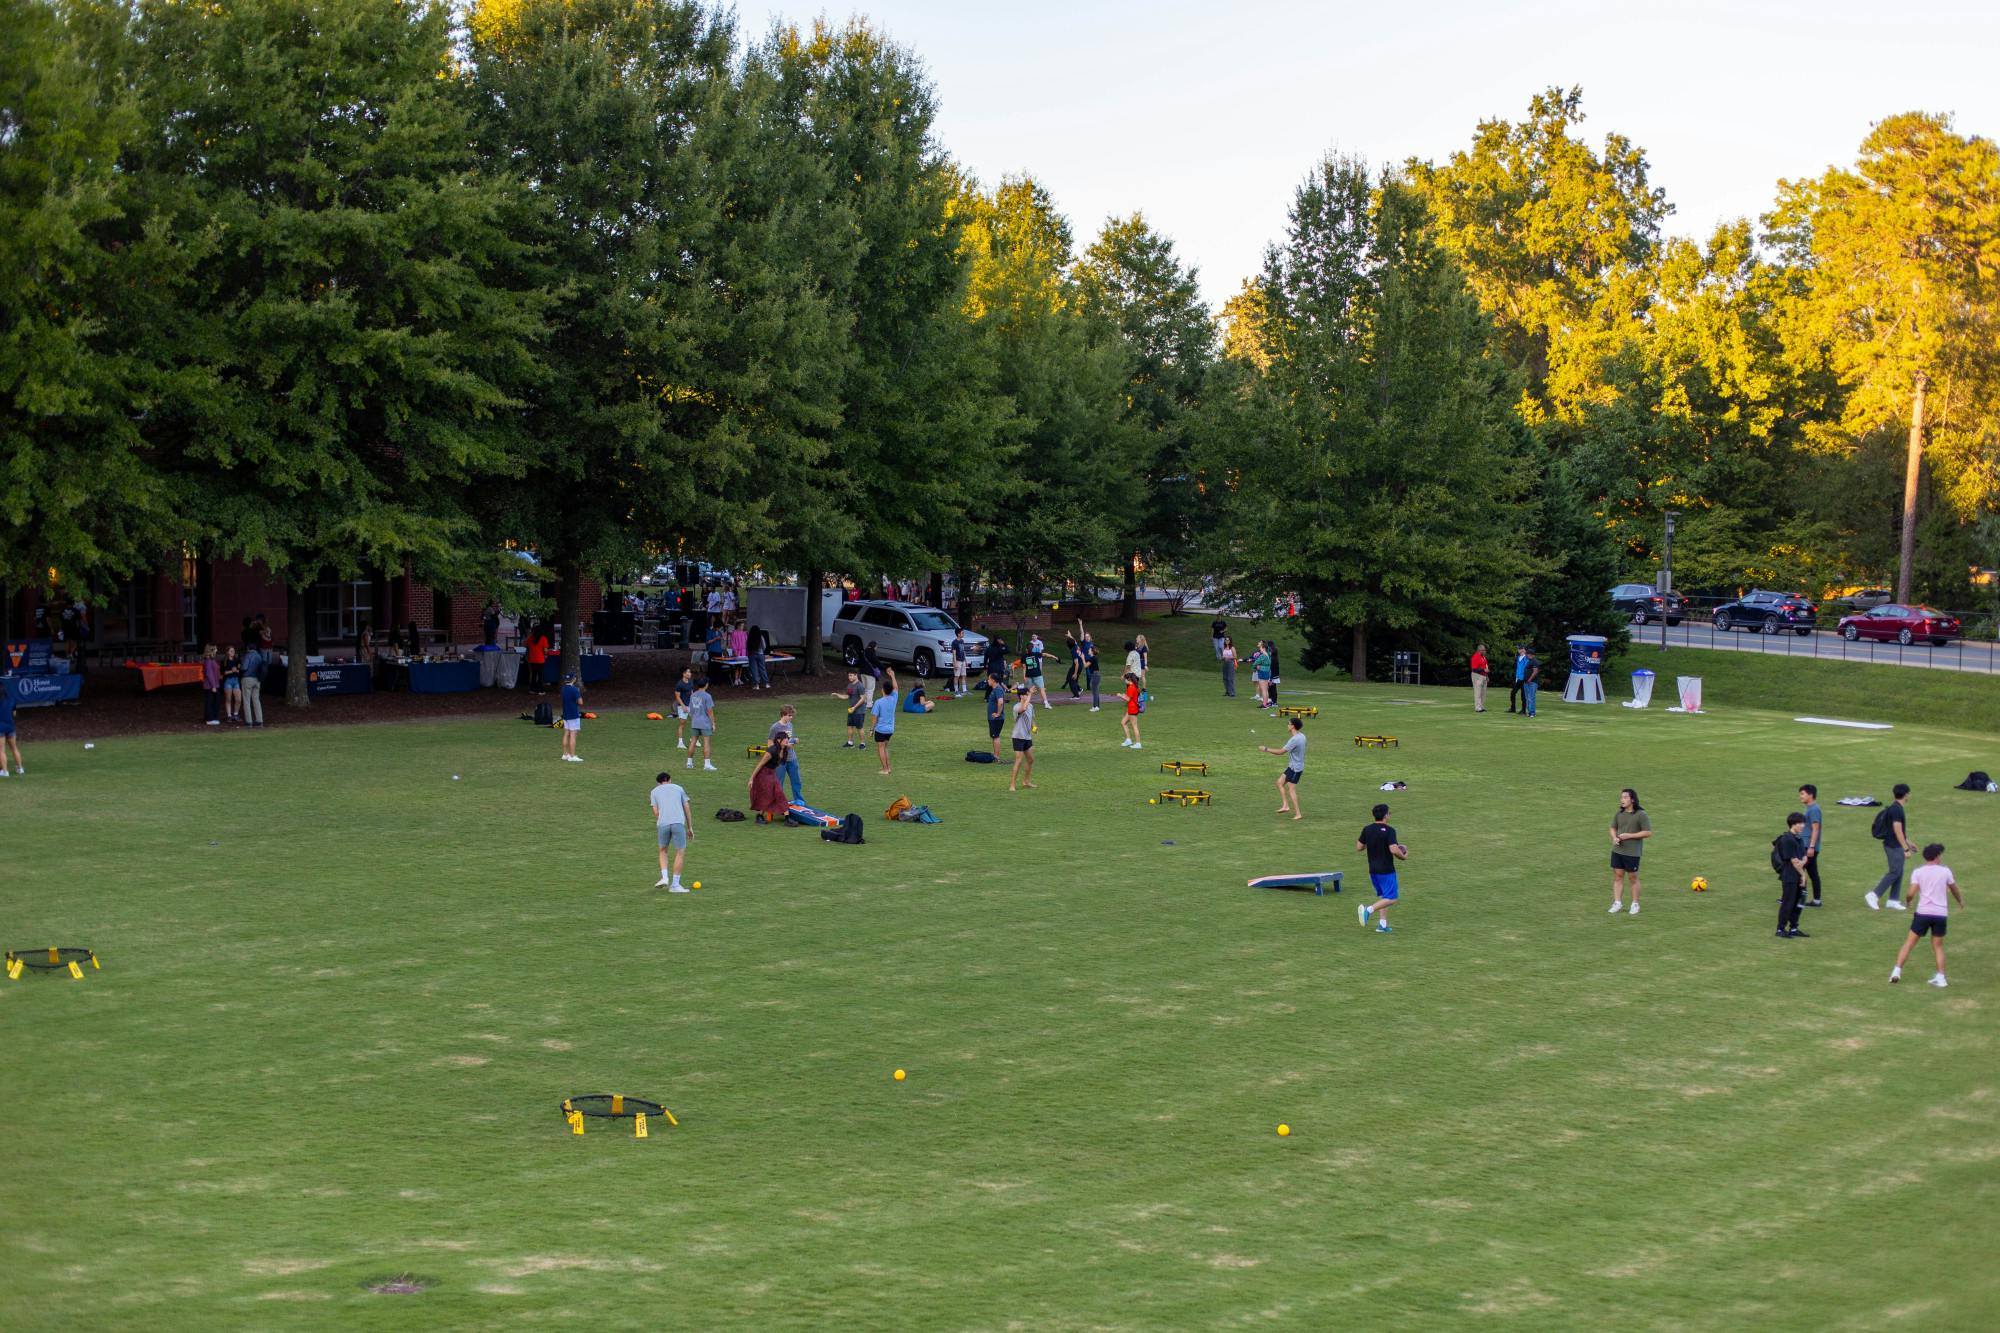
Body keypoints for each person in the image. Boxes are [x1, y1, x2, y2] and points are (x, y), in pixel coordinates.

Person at [1891, 843, 1963, 986]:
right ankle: (1941, 978)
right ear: (1936, 856)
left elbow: (1911, 893)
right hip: (1940, 914)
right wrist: (1960, 901)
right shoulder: (1945, 871)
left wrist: (1908, 901)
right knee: (1938, 946)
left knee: (1909, 943)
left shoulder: (1919, 872)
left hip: (1923, 913)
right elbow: (1954, 889)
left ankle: (1896, 971)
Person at [1356, 804, 1409, 932]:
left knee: (1385, 896)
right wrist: (1404, 856)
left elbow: (1359, 847)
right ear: (1385, 815)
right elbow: (1394, 849)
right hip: (1386, 870)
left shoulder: (1367, 829)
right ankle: (1368, 910)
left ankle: (1382, 925)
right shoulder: (1390, 830)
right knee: (1391, 898)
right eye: (1389, 813)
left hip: (1373, 870)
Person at [1866, 783, 1914, 911]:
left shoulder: (1895, 808)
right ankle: (1874, 895)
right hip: (1893, 845)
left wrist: (1908, 842)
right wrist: (1906, 849)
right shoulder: (1897, 809)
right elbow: (1897, 830)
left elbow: (1897, 830)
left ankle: (1893, 900)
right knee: (1894, 872)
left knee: (1899, 871)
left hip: (1894, 843)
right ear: (1906, 795)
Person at [1608, 787, 1651, 914]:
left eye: (1625, 797)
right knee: (1618, 877)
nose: (1622, 799)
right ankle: (1617, 903)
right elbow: (1612, 827)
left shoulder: (1641, 814)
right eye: (1621, 797)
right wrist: (1614, 837)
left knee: (1633, 878)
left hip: (1632, 853)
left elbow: (1648, 832)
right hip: (1617, 851)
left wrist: (1629, 836)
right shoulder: (1619, 814)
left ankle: (1635, 904)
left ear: (1632, 800)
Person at [650, 771, 693, 891]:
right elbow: (687, 808)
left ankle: (664, 877)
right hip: (677, 823)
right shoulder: (678, 788)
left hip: (663, 824)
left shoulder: (654, 791)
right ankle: (675, 885)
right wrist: (690, 827)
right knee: (680, 852)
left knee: (663, 851)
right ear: (670, 779)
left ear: (658, 783)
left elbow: (656, 813)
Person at [1259, 714, 1306, 820]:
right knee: (1279, 782)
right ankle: (1285, 805)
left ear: (1293, 726)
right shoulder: (1302, 736)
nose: (1287, 725)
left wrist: (1266, 749)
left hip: (1296, 768)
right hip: (1293, 766)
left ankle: (1298, 814)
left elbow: (1280, 752)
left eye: (1288, 724)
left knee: (1291, 790)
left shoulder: (1294, 740)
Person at [1774, 812, 1811, 938]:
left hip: (1799, 875)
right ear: (1793, 824)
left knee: (1799, 903)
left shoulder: (1799, 838)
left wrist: (1802, 866)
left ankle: (1794, 928)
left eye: (1803, 823)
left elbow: (1804, 857)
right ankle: (1780, 929)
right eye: (1800, 823)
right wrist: (1803, 875)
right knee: (1788, 903)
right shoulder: (1787, 839)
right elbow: (1794, 861)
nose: (1802, 825)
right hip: (1790, 876)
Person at [768, 704, 803, 801]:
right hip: (780, 760)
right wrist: (776, 753)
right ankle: (778, 802)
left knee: (797, 781)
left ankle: (799, 800)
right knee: (779, 782)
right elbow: (770, 743)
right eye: (789, 715)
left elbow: (788, 739)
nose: (791, 717)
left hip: (792, 758)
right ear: (783, 714)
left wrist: (794, 740)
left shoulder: (790, 725)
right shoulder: (775, 727)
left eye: (792, 715)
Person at [1798, 783, 1825, 907]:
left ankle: (1799, 899)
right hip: (1807, 846)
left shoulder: (1814, 809)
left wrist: (1811, 847)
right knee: (1812, 873)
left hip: (1808, 847)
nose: (1800, 796)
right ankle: (1816, 900)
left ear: (1811, 795)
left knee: (1800, 871)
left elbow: (1816, 829)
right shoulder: (1810, 808)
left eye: (1802, 794)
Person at [749, 743, 789, 823]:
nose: (787, 740)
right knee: (771, 794)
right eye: (785, 739)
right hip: (763, 774)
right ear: (779, 740)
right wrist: (751, 778)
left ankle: (787, 818)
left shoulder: (783, 750)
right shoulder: (771, 751)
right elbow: (760, 764)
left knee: (777, 793)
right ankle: (787, 818)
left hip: (771, 773)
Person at [1009, 685, 1038, 791]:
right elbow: (1023, 708)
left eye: (1028, 694)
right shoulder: (1017, 707)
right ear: (1021, 696)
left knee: (1030, 759)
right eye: (1026, 694)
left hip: (1027, 737)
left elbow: (1031, 719)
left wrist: (1034, 727)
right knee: (1019, 761)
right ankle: (1012, 785)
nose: (1028, 696)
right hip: (1018, 737)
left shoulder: (1030, 706)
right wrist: (1030, 694)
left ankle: (1026, 781)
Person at [870, 668, 899, 775]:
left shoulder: (878, 702)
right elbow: (896, 687)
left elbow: (874, 718)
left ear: (883, 690)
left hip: (880, 730)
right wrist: (892, 675)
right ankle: (889, 768)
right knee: (885, 747)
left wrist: (871, 729)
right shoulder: (894, 698)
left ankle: (885, 769)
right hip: (890, 730)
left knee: (881, 748)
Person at [685, 678, 717, 771]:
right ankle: (707, 765)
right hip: (705, 722)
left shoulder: (693, 695)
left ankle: (689, 763)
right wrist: (713, 723)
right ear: (706, 685)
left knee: (693, 741)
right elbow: (710, 711)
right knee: (706, 742)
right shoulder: (707, 696)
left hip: (695, 722)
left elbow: (690, 710)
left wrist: (693, 719)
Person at [834, 669, 865, 748]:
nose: (849, 677)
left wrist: (854, 707)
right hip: (851, 710)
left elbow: (862, 699)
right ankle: (850, 743)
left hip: (859, 711)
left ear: (856, 675)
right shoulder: (850, 686)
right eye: (848, 675)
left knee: (859, 727)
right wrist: (838, 695)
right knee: (849, 726)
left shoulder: (860, 686)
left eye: (851, 675)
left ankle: (862, 744)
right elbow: (847, 696)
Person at [559, 672, 585, 762]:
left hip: (566, 714)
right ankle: (572, 756)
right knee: (573, 735)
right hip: (573, 714)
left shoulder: (563, 689)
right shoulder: (574, 690)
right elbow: (580, 702)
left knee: (566, 733)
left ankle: (565, 754)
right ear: (573, 679)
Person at [240, 640, 267, 728]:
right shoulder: (259, 656)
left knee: (247, 701)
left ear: (248, 648)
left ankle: (249, 722)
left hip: (247, 679)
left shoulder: (248, 655)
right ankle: (259, 720)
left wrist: (240, 667)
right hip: (257, 679)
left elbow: (244, 667)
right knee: (256, 700)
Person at [1024, 634, 1053, 709]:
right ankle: (1046, 703)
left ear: (1026, 649)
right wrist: (1054, 657)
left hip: (1029, 675)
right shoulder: (1036, 654)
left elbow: (1024, 667)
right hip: (1037, 674)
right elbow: (1045, 654)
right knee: (1042, 689)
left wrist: (1024, 676)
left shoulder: (1024, 656)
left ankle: (1026, 704)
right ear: (1032, 648)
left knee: (1029, 690)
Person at [0, 681, 23, 777]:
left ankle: (5, 771)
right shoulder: (11, 699)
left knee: (1, 750)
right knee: (14, 748)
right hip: (10, 726)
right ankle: (20, 768)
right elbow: (14, 714)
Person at [984, 667, 1007, 758]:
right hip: (993, 718)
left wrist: (998, 713)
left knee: (995, 736)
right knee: (994, 736)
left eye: (989, 679)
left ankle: (997, 756)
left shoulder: (998, 689)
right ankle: (995, 755)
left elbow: (1000, 702)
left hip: (996, 718)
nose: (988, 680)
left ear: (993, 680)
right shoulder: (995, 689)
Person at [1077, 625, 1101, 711]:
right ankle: (1097, 706)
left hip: (1095, 675)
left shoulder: (1092, 658)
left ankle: (1095, 707)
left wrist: (1083, 658)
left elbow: (1085, 666)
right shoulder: (1093, 657)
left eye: (1089, 650)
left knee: (1095, 691)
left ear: (1092, 651)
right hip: (1096, 675)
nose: (1088, 650)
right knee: (1095, 690)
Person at [1118, 672, 1143, 750]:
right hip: (1131, 708)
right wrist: (1123, 695)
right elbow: (1130, 697)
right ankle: (1128, 740)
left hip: (1132, 709)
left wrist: (1120, 696)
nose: (1124, 680)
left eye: (1125, 679)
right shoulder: (1134, 686)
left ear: (1129, 679)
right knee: (1123, 722)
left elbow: (1128, 699)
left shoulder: (1131, 687)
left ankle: (1138, 743)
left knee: (1134, 726)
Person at [524, 622, 550, 695]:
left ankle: (532, 689)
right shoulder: (543, 638)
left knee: (534, 675)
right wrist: (547, 653)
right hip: (540, 659)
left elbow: (526, 645)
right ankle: (540, 690)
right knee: (540, 675)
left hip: (532, 659)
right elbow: (545, 650)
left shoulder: (530, 638)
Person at [221, 645, 244, 723]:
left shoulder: (237, 660)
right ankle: (229, 716)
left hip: (236, 680)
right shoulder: (224, 661)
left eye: (233, 651)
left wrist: (236, 670)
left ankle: (236, 714)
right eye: (231, 651)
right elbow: (223, 673)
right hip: (228, 681)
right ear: (227, 652)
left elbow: (240, 670)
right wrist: (232, 671)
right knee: (228, 699)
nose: (233, 652)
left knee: (238, 699)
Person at [673, 667, 694, 750]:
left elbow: (691, 693)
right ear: (683, 674)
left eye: (690, 672)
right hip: (682, 707)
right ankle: (680, 743)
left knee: (695, 722)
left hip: (690, 705)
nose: (690, 674)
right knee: (682, 724)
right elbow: (677, 697)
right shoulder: (679, 684)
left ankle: (693, 739)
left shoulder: (691, 682)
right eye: (688, 672)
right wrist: (683, 706)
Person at [201, 644, 222, 726]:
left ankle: (209, 718)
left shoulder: (211, 660)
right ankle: (210, 718)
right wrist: (213, 686)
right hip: (211, 685)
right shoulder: (208, 660)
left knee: (212, 701)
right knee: (212, 701)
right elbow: (209, 674)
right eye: (215, 649)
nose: (217, 650)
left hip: (214, 684)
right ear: (211, 650)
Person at [747, 622, 770, 691]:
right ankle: (766, 684)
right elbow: (764, 646)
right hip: (760, 654)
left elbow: (747, 646)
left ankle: (756, 685)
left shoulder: (749, 637)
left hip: (752, 655)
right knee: (762, 669)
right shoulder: (761, 637)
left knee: (754, 670)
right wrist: (761, 651)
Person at [1469, 643, 1490, 713]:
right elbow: (1474, 669)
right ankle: (1478, 708)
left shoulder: (1483, 657)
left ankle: (1481, 706)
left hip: (1484, 676)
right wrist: (1483, 670)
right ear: (1479, 650)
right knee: (1478, 692)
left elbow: (1485, 666)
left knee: (1483, 692)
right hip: (1477, 676)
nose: (1485, 651)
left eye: (1484, 650)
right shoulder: (1475, 657)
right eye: (1483, 650)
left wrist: (1487, 676)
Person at [1251, 641, 1272, 709]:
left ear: (1263, 648)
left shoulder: (1263, 655)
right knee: (1265, 689)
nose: (1259, 648)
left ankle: (1264, 704)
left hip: (1262, 672)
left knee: (1263, 689)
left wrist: (1256, 666)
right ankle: (1266, 703)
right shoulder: (1268, 654)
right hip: (1266, 672)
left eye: (1260, 647)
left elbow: (1255, 663)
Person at [950, 628, 969, 698]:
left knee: (964, 675)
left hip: (963, 660)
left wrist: (966, 660)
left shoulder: (962, 641)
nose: (963, 634)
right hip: (957, 660)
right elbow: (954, 653)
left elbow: (963, 651)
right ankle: (956, 691)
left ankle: (964, 690)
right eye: (962, 633)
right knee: (957, 676)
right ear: (958, 634)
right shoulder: (954, 642)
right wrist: (954, 663)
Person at [1509, 646, 1529, 714]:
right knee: (1512, 693)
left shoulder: (1526, 658)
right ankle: (1513, 708)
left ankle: (1523, 710)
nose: (1519, 650)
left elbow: (1526, 668)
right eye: (1518, 649)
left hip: (1523, 679)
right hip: (1518, 678)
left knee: (1523, 695)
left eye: (1520, 649)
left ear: (1524, 649)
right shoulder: (1518, 658)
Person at [1521, 648, 1540, 717]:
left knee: (1531, 697)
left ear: (1531, 655)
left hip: (1532, 682)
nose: (1526, 655)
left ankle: (1532, 713)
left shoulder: (1535, 662)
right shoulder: (1529, 661)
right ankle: (1529, 712)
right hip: (1526, 682)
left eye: (1527, 654)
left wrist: (1529, 679)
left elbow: (1535, 672)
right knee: (1527, 697)